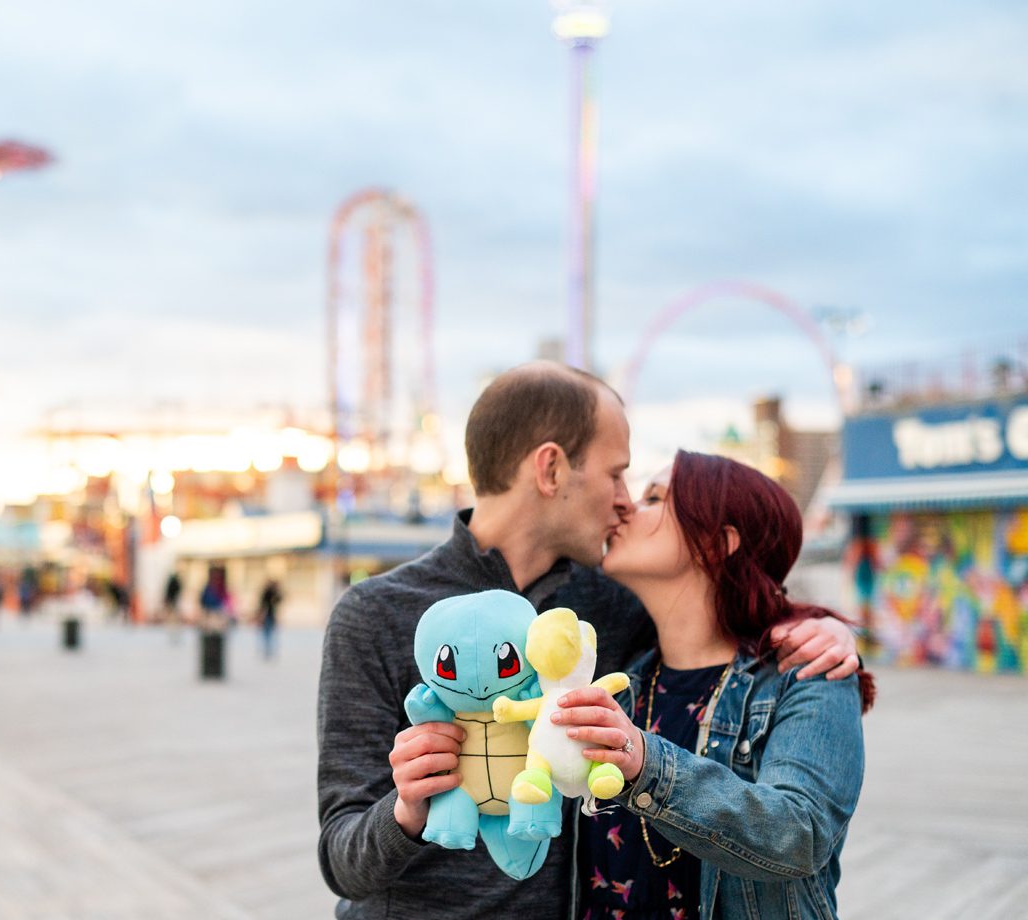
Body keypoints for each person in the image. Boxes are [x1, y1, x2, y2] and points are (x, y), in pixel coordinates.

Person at [316, 361, 861, 919]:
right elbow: (342, 861)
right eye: (616, 473)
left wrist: (815, 626)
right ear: (551, 469)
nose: (625, 500)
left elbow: (716, 616)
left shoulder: (611, 609)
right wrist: (406, 810)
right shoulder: (375, 614)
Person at [560, 451, 873, 920]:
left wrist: (647, 764)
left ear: (716, 542)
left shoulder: (807, 678)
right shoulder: (622, 679)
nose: (626, 507)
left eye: (655, 497)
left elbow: (799, 833)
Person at [257, 578, 283, 660]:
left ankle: (268, 651)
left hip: (270, 615)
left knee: (268, 634)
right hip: (267, 616)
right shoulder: (268, 593)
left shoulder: (272, 593)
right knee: (267, 634)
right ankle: (267, 651)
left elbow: (279, 600)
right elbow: (263, 605)